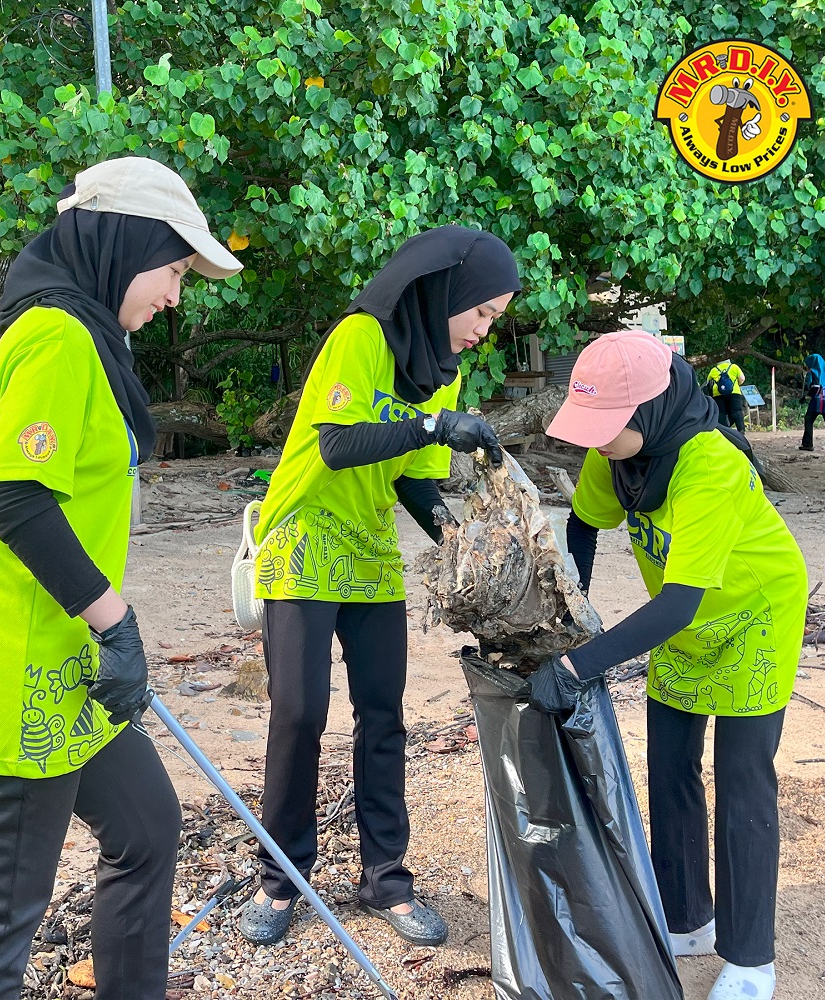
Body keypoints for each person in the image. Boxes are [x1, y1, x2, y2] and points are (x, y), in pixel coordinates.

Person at [0, 155, 243, 1000]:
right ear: (122, 245)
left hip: (69, 670)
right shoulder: (59, 335)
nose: (176, 295)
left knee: (145, 828)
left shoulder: (77, 336)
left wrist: (103, 633)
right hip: (20, 666)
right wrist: (116, 621)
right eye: (173, 270)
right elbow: (15, 495)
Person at [240, 225, 521, 948]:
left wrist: (467, 545)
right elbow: (340, 442)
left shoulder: (440, 372)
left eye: (495, 319)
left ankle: (386, 881)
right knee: (299, 715)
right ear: (448, 292)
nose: (484, 332)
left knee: (384, 716)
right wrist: (432, 424)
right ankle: (281, 879)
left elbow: (414, 480)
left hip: (367, 549)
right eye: (482, 312)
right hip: (302, 536)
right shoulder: (361, 336)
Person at [531, 330, 806, 1000]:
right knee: (670, 763)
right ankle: (686, 918)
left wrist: (576, 667)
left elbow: (680, 602)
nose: (594, 442)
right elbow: (583, 523)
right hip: (684, 627)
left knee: (742, 781)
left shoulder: (707, 462)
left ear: (649, 409)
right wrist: (575, 610)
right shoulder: (621, 454)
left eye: (605, 427)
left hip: (752, 617)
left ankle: (749, 960)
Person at [705, 358, 746, 433]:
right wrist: (736, 384)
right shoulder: (734, 367)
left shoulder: (714, 370)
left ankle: (724, 431)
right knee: (737, 411)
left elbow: (708, 383)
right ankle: (741, 429)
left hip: (717, 394)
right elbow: (742, 379)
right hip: (734, 393)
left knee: (721, 412)